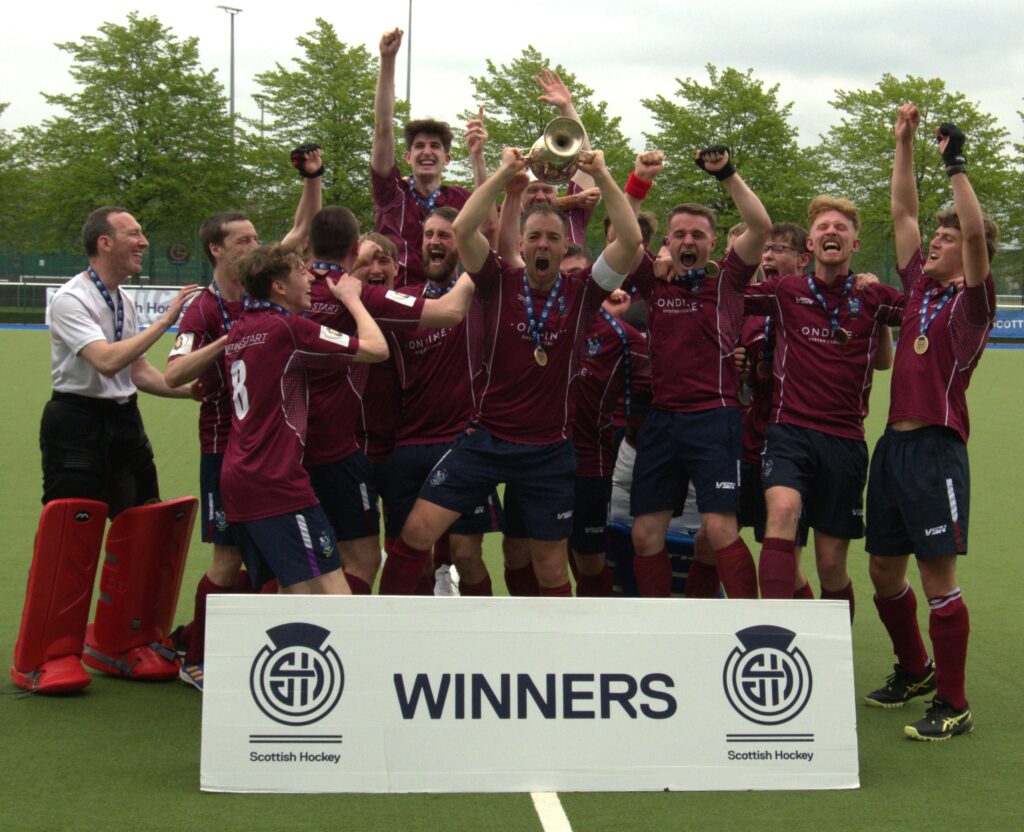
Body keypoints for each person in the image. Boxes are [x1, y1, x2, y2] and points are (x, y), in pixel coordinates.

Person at [383, 146, 642, 596]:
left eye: (552, 238)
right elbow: (464, 227)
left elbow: (631, 242)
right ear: (521, 243)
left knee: (550, 570)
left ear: (564, 246)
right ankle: (382, 636)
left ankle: (551, 660)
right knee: (417, 534)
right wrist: (505, 172)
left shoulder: (581, 291)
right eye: (535, 237)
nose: (543, 244)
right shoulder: (496, 280)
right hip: (484, 440)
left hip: (547, 451)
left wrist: (601, 171)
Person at [163, 146, 325, 690]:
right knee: (228, 561)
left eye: (257, 238)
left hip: (273, 451)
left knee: (278, 565)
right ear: (216, 250)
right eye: (244, 240)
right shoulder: (204, 309)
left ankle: (264, 661)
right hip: (224, 448)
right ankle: (196, 657)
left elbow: (303, 227)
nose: (257, 245)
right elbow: (173, 374)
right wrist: (228, 344)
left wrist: (313, 177)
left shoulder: (265, 284)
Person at [23, 207, 198, 689]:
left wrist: (196, 392)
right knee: (72, 532)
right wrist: (168, 320)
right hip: (76, 423)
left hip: (123, 422)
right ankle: (46, 653)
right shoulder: (71, 298)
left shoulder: (122, 300)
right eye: (134, 233)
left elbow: (138, 375)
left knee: (143, 525)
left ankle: (122, 642)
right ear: (104, 242)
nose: (144, 241)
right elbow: (105, 362)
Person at [864, 105, 996, 741]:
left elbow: (972, 238)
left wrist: (957, 166)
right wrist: (904, 143)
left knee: (937, 578)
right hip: (892, 449)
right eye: (935, 241)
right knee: (884, 573)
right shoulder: (917, 288)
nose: (935, 243)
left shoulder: (974, 303)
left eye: (946, 241)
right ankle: (914, 668)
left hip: (938, 451)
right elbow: (903, 213)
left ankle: (954, 702)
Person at [302, 206, 474, 594]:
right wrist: (485, 259)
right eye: (368, 258)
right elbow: (450, 311)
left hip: (378, 449)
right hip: (342, 452)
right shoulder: (363, 299)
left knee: (322, 557)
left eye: (386, 259)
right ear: (352, 256)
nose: (376, 267)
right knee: (355, 558)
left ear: (398, 268)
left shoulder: (306, 289)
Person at [746, 196, 904, 616]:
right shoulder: (784, 290)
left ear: (854, 245)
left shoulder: (873, 296)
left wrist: (963, 281)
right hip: (788, 430)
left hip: (845, 439)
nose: (831, 231)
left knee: (831, 564)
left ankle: (833, 658)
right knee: (782, 510)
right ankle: (775, 636)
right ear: (810, 245)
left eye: (841, 227)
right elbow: (724, 295)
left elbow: (926, 309)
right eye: (822, 227)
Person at [628, 146, 770, 599]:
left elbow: (761, 226)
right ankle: (663, 630)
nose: (687, 242)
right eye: (678, 235)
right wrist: (637, 182)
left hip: (715, 417)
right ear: (666, 243)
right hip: (663, 420)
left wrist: (725, 173)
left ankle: (750, 623)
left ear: (713, 243)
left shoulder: (727, 281)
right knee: (645, 536)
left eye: (697, 235)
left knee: (719, 529)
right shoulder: (653, 278)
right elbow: (625, 236)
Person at [220, 244, 388, 594]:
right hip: (277, 481)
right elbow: (376, 349)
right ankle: (353, 651)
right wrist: (353, 299)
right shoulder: (289, 329)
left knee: (292, 589)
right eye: (300, 271)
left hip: (239, 477)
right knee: (332, 588)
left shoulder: (240, 329)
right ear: (279, 287)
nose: (310, 277)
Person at [381, 207, 503, 596]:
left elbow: (494, 236)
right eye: (429, 234)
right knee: (408, 555)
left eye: (445, 235)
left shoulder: (478, 296)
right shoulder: (402, 300)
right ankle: (408, 642)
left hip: (461, 445)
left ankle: (477, 640)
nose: (434, 241)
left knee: (467, 555)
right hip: (406, 447)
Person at [371, 28, 470, 280]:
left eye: (435, 146)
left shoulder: (459, 198)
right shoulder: (392, 194)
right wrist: (388, 60)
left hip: (447, 302)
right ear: (407, 157)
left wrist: (478, 157)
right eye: (419, 146)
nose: (427, 152)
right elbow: (383, 126)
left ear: (446, 159)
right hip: (399, 302)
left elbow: (492, 221)